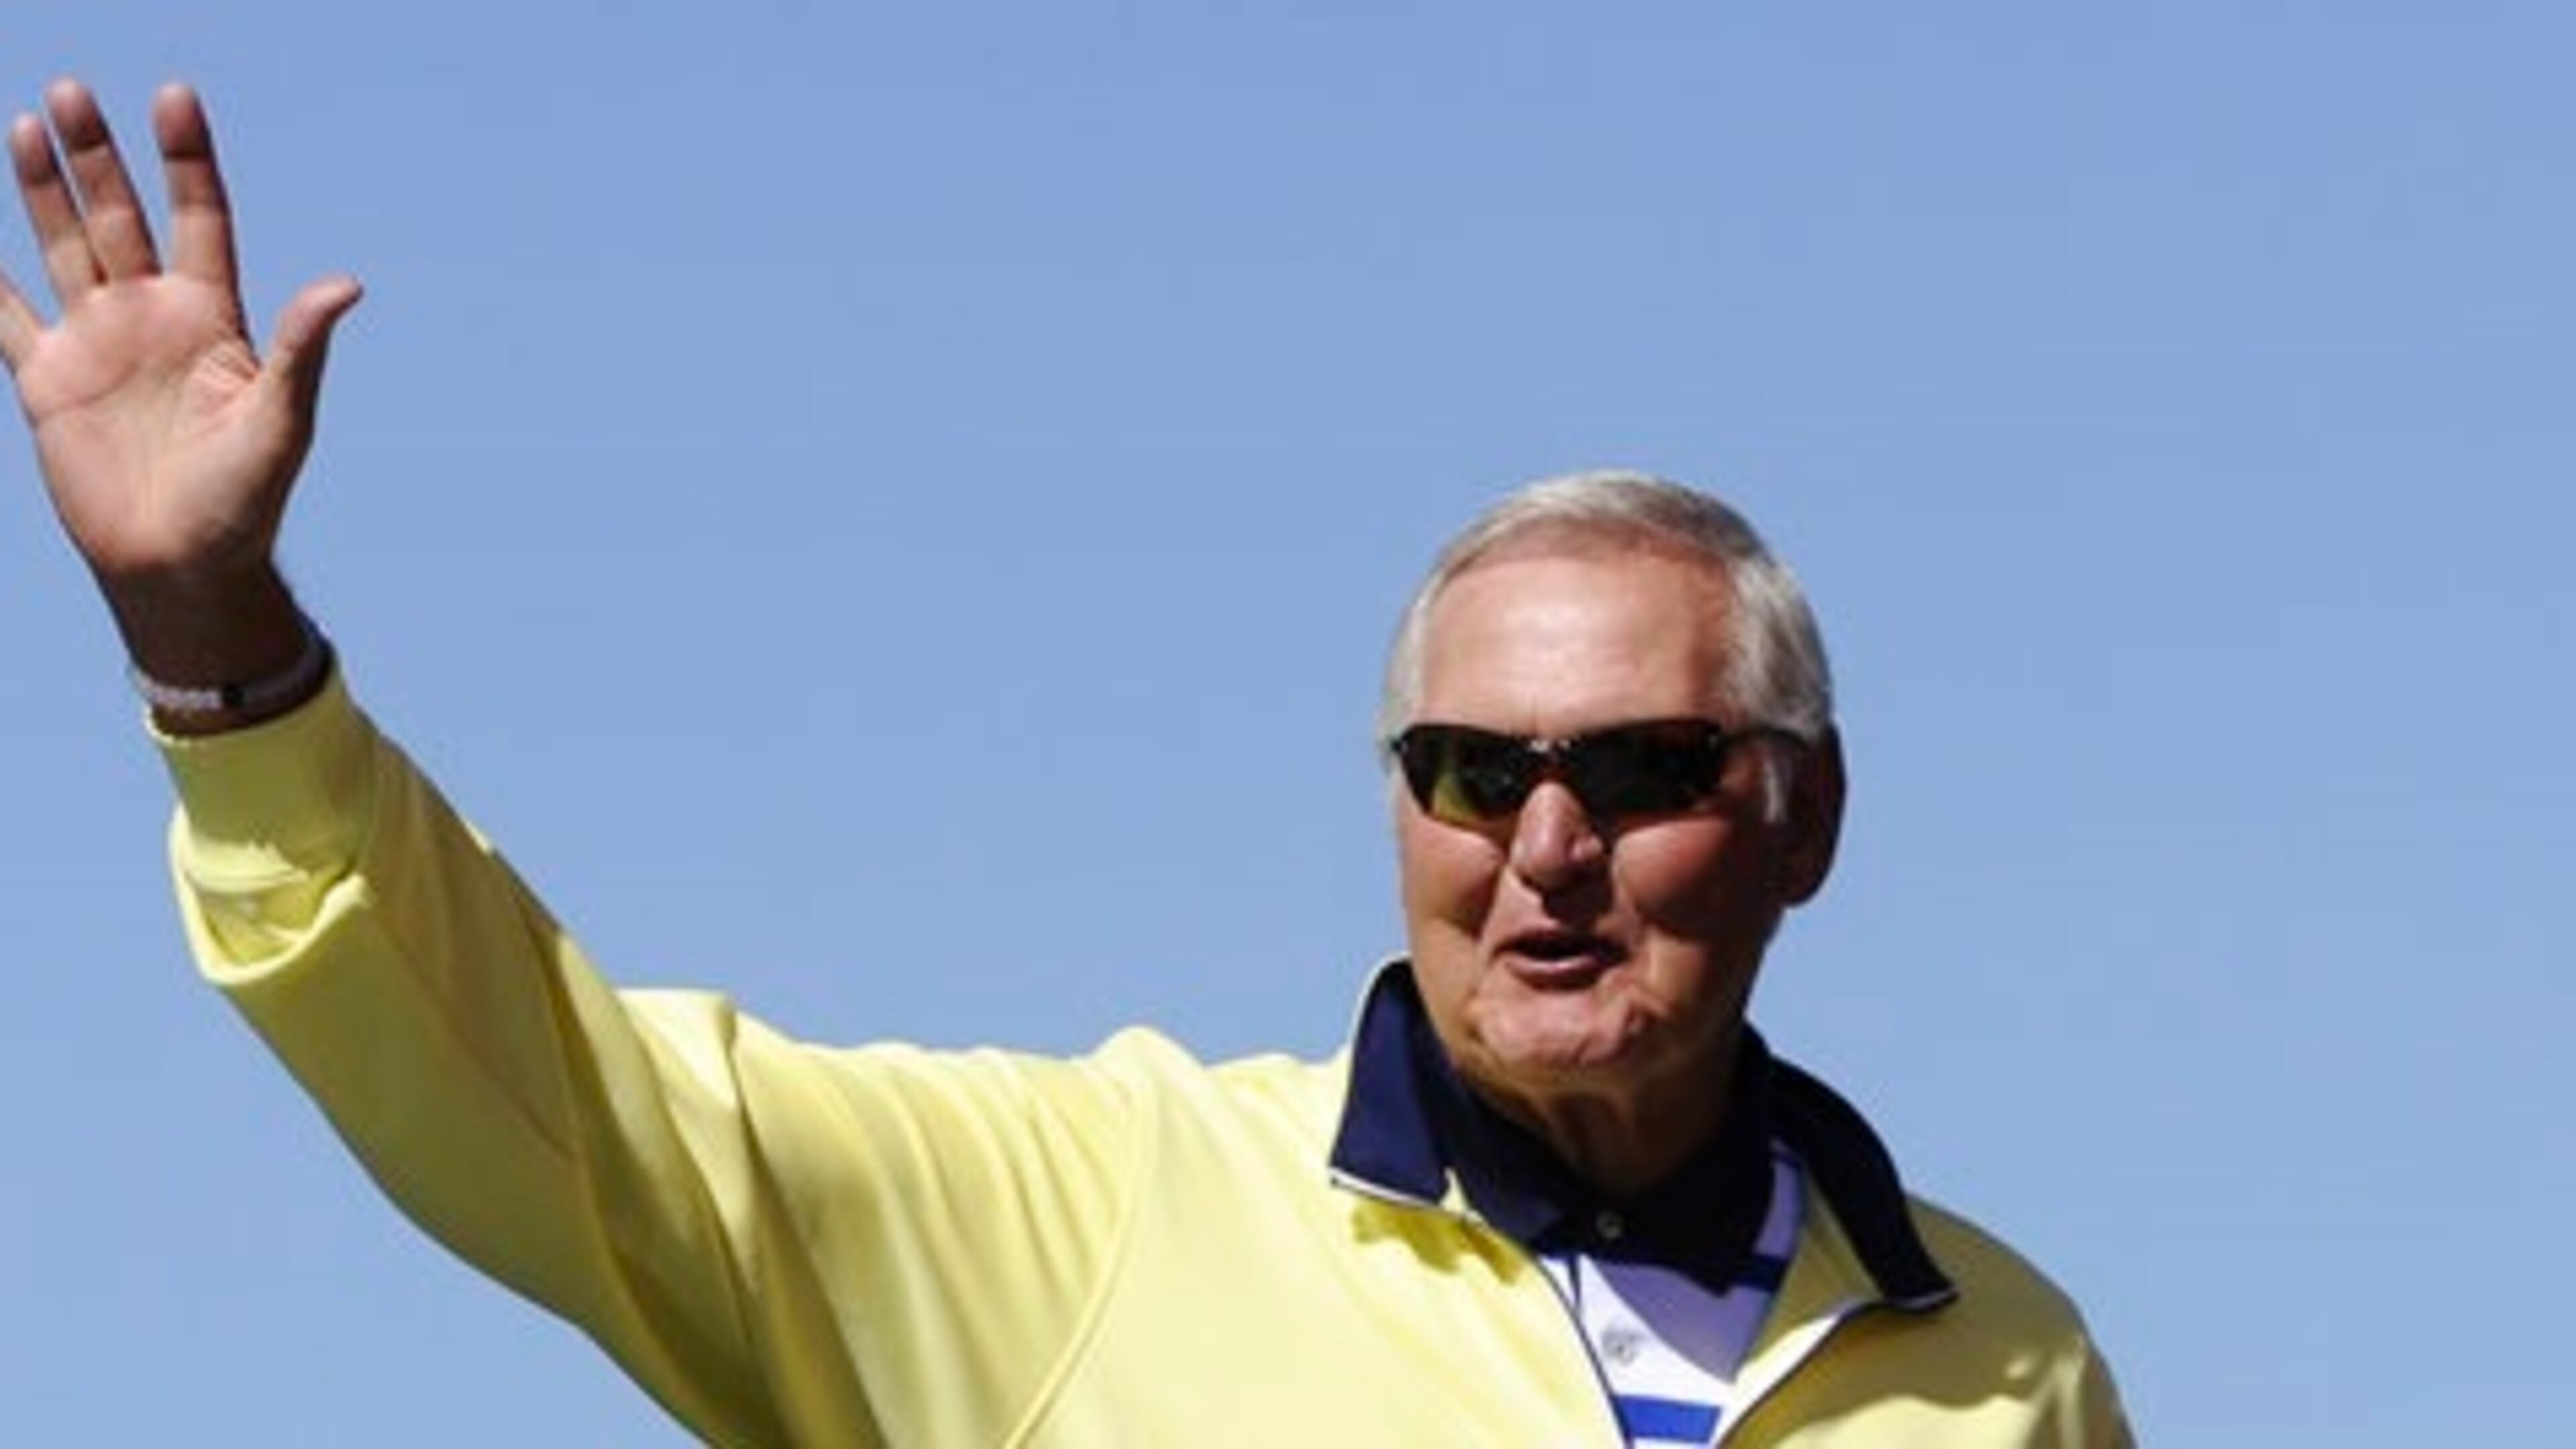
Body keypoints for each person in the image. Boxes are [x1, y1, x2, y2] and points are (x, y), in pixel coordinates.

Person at [3, 80, 2131, 1447]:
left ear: (1803, 819)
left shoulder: (2005, 1365)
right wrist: (218, 648)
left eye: (1644, 768)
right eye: (1473, 774)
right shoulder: (1101, 1216)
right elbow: (544, 1099)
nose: (1544, 848)